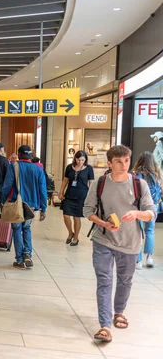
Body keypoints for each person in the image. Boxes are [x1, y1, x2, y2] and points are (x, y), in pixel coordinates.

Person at [84, 145, 156, 343]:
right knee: (104, 280)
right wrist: (103, 223)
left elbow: (151, 212)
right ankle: (105, 325)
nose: (124, 165)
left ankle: (119, 312)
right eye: (118, 161)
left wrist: (137, 214)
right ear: (109, 163)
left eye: (126, 160)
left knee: (125, 280)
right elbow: (87, 210)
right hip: (103, 239)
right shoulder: (99, 183)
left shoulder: (139, 184)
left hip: (130, 241)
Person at [1, 145, 47, 270]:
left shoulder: (14, 166)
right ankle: (27, 253)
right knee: (27, 228)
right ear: (30, 156)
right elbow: (43, 190)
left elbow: (7, 186)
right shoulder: (38, 169)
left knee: (16, 230)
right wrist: (44, 208)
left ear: (20, 155)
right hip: (31, 205)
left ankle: (20, 260)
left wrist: (2, 201)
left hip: (17, 204)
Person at [132, 151, 162, 269]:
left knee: (138, 232)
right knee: (150, 231)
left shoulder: (135, 174)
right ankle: (149, 257)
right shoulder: (158, 175)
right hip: (152, 206)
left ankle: (138, 261)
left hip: (138, 207)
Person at [59, 151, 94, 246]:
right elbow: (65, 180)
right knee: (66, 215)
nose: (80, 162)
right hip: (69, 194)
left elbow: (91, 183)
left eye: (83, 160)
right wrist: (61, 191)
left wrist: (92, 198)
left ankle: (76, 237)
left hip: (82, 196)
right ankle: (70, 232)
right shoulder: (69, 167)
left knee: (76, 217)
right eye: (79, 160)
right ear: (75, 158)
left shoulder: (89, 169)